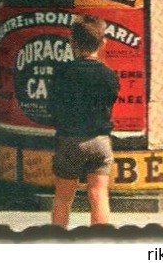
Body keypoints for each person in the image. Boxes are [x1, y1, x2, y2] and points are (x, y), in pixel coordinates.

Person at [49, 15, 120, 228]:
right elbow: (110, 102)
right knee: (99, 195)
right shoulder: (109, 75)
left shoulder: (62, 73)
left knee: (63, 198)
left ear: (72, 43)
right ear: (103, 42)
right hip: (100, 141)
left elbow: (53, 106)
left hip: (70, 140)